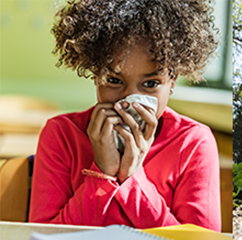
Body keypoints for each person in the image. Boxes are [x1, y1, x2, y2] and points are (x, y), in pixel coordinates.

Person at [29, 0, 221, 231]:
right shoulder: (61, 134)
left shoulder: (193, 143)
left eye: (150, 84)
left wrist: (133, 175)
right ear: (95, 73)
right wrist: (101, 172)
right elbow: (42, 236)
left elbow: (198, 238)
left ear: (173, 78)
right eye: (113, 81)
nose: (129, 100)